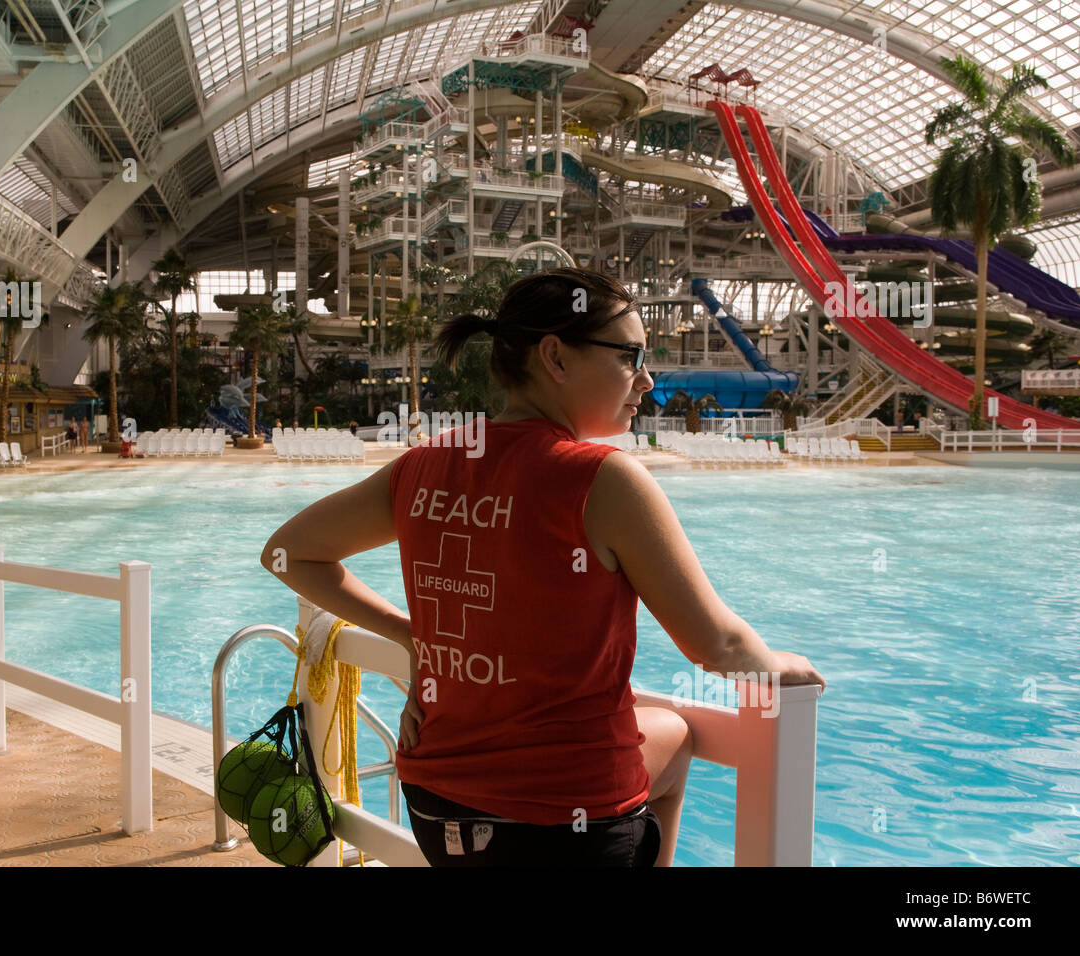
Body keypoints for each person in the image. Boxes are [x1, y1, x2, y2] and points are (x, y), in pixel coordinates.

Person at [261, 267, 825, 867]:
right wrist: (784, 669)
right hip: (566, 824)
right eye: (630, 357)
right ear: (554, 356)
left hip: (437, 805)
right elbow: (717, 645)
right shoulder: (602, 479)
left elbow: (288, 553)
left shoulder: (422, 466)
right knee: (678, 737)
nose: (648, 380)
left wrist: (414, 635)